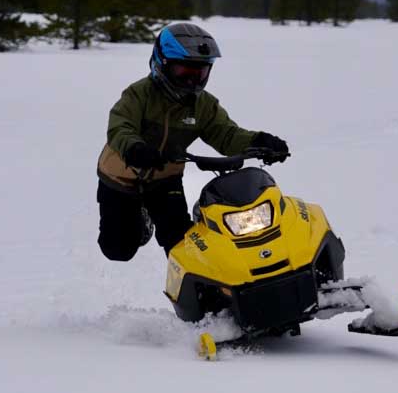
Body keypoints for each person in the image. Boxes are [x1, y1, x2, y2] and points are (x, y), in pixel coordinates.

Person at [96, 22, 289, 260]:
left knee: (182, 245)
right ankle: (141, 218)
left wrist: (260, 141)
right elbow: (120, 127)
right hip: (120, 177)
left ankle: (201, 293)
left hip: (165, 179)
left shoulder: (204, 105)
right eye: (184, 72)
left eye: (200, 73)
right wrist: (135, 148)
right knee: (118, 250)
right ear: (162, 63)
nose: (192, 81)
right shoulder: (138, 94)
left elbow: (226, 134)